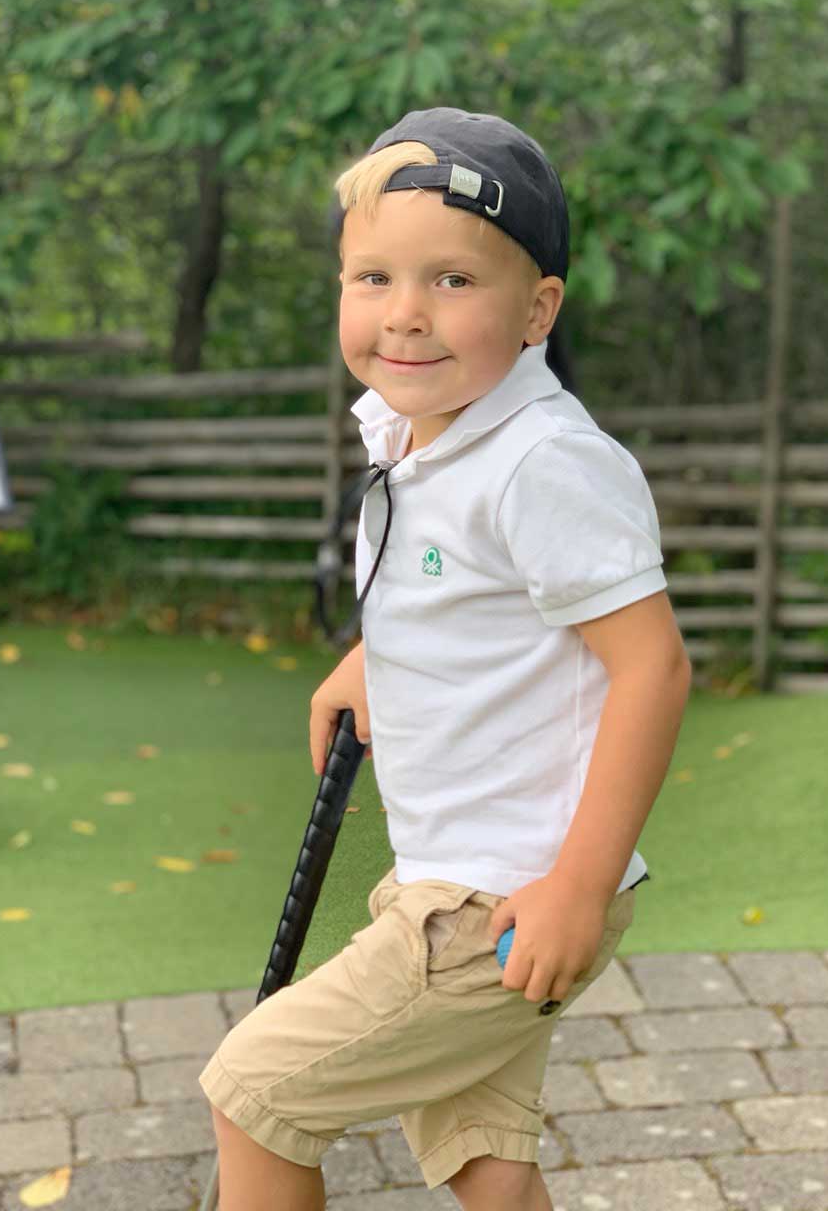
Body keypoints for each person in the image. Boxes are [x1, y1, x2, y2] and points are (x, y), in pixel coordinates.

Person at [199, 107, 693, 1211]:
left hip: (501, 897)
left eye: (453, 281)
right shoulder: (420, 430)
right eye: (372, 277)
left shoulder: (542, 461)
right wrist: (374, 658)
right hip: (466, 875)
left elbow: (651, 668)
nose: (405, 313)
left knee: (254, 1090)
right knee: (486, 1159)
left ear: (538, 309)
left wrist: (577, 885)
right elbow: (467, 592)